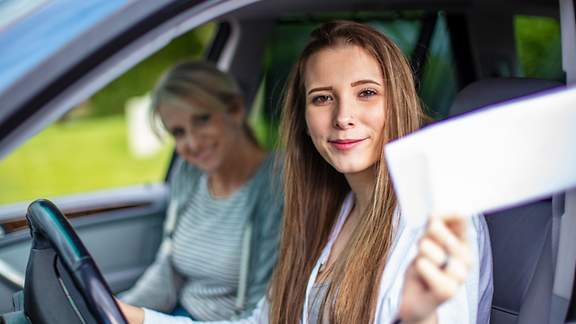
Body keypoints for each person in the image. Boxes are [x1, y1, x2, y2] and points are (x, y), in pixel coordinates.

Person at [119, 20, 493, 324]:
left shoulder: (438, 218)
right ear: (304, 119)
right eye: (322, 98)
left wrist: (417, 318)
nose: (343, 117)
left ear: (398, 102)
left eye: (366, 93)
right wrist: (135, 317)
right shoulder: (326, 210)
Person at [119, 61, 283, 321]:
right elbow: (168, 270)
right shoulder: (189, 171)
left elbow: (260, 315)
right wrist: (114, 309)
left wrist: (142, 318)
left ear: (236, 110)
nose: (193, 143)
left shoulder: (278, 184)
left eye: (203, 120)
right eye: (179, 132)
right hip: (178, 315)